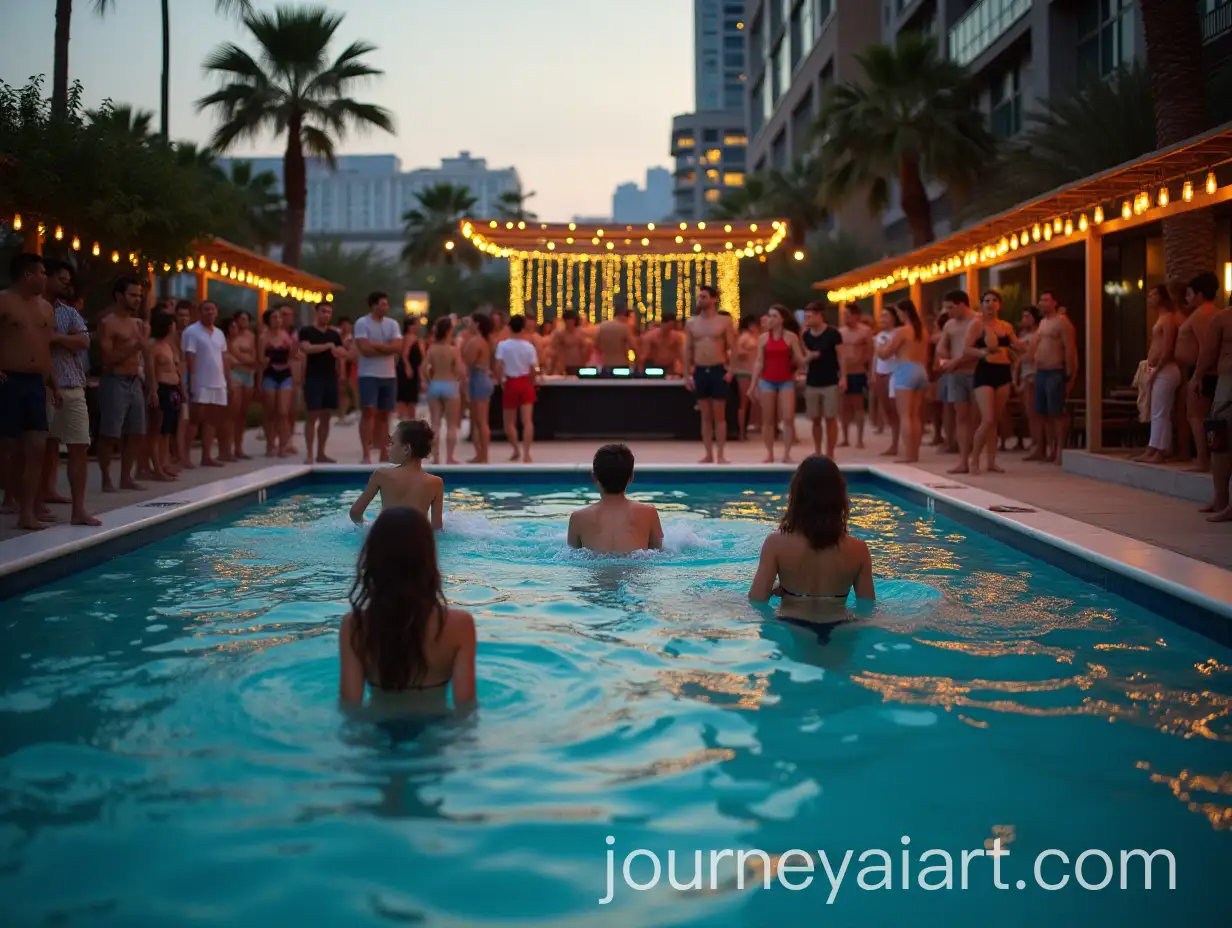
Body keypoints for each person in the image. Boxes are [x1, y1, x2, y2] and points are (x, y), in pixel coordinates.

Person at [339, 507, 476, 708]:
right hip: (436, 730)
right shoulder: (458, 625)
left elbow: (350, 707)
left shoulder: (355, 625)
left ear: (374, 558)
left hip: (378, 729)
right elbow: (465, 709)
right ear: (428, 557)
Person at [748, 455, 875, 633]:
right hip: (841, 627)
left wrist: (775, 589)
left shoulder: (776, 543)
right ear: (839, 497)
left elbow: (757, 600)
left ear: (797, 494)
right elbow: (867, 607)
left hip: (790, 624)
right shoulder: (858, 549)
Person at [0, 253, 59, 531]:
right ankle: (10, 498)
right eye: (43, 272)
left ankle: (27, 511)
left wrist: (53, 385)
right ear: (27, 275)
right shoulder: (3, 300)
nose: (46, 278)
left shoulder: (45, 308)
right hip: (9, 380)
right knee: (8, 448)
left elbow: (45, 349)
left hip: (36, 382)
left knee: (37, 445)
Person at [38, 260, 99, 526]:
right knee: (37, 448)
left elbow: (83, 342)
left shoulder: (69, 313)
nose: (66, 284)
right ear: (45, 278)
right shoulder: (32, 310)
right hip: (41, 385)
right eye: (61, 279)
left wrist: (56, 338)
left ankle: (79, 509)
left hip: (72, 385)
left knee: (78, 446)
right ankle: (34, 503)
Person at [97, 274, 151, 492]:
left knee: (137, 432)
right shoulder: (107, 323)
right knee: (110, 433)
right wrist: (133, 345)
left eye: (139, 295)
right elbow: (107, 358)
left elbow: (147, 356)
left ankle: (126, 476)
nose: (137, 299)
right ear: (119, 296)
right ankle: (106, 476)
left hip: (134, 380)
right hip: (115, 380)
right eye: (132, 295)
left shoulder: (138, 324)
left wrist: (152, 386)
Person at [567, 443, 664, 554]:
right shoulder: (649, 513)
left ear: (594, 478)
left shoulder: (578, 518)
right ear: (631, 477)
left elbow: (572, 556)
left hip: (596, 567)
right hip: (634, 567)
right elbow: (658, 553)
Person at [349, 419, 444, 528]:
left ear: (406, 449)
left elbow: (355, 512)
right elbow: (437, 527)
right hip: (417, 539)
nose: (388, 448)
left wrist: (366, 528)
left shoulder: (382, 474)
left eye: (392, 443)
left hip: (385, 536)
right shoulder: (436, 483)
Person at [747, 305, 809, 464]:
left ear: (781, 319)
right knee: (768, 420)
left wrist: (810, 356)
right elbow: (759, 362)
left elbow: (800, 359)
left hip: (786, 381)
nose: (770, 319)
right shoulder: (763, 338)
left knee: (788, 418)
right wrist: (753, 385)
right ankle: (769, 454)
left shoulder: (791, 337)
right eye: (769, 315)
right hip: (767, 381)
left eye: (774, 316)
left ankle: (787, 454)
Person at [965, 289, 1018, 475]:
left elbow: (1017, 346)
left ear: (999, 304)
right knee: (987, 419)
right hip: (985, 373)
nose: (990, 303)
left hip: (1003, 372)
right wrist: (982, 353)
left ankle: (992, 461)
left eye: (994, 300)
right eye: (986, 300)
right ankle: (974, 460)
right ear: (982, 304)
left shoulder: (1006, 326)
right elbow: (966, 349)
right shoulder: (976, 325)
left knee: (994, 420)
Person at [684, 285, 737, 464]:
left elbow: (733, 347)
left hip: (717, 369)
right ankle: (708, 453)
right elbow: (688, 349)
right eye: (699, 297)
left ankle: (720, 454)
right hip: (700, 370)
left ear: (714, 299)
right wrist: (686, 374)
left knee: (719, 414)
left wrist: (731, 370)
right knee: (705, 415)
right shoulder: (691, 323)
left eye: (704, 297)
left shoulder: (724, 322)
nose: (701, 300)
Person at [1192, 297, 1232, 521]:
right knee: (1219, 441)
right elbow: (1207, 351)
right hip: (1227, 383)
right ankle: (1220, 498)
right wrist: (1197, 377)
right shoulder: (1223, 318)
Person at [1131, 285, 1181, 464]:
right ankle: (1161, 448)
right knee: (1159, 411)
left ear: (1162, 297)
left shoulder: (1168, 319)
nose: (1149, 298)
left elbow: (1167, 348)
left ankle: (1156, 450)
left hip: (1166, 370)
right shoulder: (1161, 318)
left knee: (1159, 411)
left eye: (1153, 295)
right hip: (1158, 369)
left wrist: (1156, 370)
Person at [1178, 272, 1221, 474]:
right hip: (1202, 370)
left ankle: (1203, 459)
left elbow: (1208, 346)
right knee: (1199, 417)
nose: (1187, 298)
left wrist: (1198, 376)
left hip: (1204, 371)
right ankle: (1205, 459)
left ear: (1199, 294)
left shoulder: (1204, 314)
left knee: (1197, 416)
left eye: (1189, 293)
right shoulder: (1207, 313)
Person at [876, 300, 930, 463]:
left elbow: (885, 354)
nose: (898, 316)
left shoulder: (902, 331)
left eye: (898, 313)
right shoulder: (923, 331)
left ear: (904, 312)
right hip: (921, 370)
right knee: (916, 416)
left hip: (905, 370)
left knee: (905, 416)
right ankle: (915, 453)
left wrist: (880, 346)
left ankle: (908, 454)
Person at [1030, 289, 1079, 465]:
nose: (1042, 303)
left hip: (1055, 371)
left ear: (1054, 302)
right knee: (1044, 414)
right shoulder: (1043, 323)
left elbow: (1070, 348)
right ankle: (1050, 449)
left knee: (1057, 413)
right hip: (1041, 372)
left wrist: (1070, 374)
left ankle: (1060, 450)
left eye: (1046, 300)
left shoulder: (1062, 322)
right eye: (1040, 300)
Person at [355, 292, 403, 465]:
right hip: (368, 374)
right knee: (368, 412)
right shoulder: (362, 323)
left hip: (388, 375)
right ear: (373, 305)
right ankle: (366, 453)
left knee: (385, 415)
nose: (386, 307)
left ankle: (384, 452)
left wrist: (375, 345)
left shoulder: (392, 324)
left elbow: (398, 347)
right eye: (382, 304)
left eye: (386, 304)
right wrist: (386, 348)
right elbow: (364, 349)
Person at [181, 300, 230, 468]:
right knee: (195, 420)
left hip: (218, 383)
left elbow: (224, 358)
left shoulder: (220, 334)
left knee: (212, 421)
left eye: (212, 309)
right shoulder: (191, 332)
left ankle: (207, 456)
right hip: (201, 382)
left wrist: (227, 380)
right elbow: (189, 357)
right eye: (206, 310)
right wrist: (192, 381)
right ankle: (184, 456)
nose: (210, 312)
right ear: (200, 312)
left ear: (216, 312)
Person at [299, 301, 347, 464]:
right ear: (316, 312)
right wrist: (327, 346)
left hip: (330, 377)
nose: (326, 315)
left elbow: (342, 352)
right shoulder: (307, 331)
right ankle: (309, 453)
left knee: (326, 416)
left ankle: (321, 452)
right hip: (313, 377)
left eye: (329, 312)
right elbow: (306, 348)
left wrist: (334, 348)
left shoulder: (334, 334)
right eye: (323, 311)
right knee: (312, 415)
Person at [935, 290, 978, 473]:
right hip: (956, 374)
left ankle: (977, 458)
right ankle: (963, 460)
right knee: (961, 417)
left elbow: (975, 350)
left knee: (978, 417)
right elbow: (941, 346)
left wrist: (955, 361)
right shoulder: (950, 325)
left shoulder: (977, 321)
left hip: (976, 373)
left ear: (962, 304)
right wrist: (944, 357)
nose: (948, 311)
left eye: (951, 307)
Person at [801, 301, 845, 459]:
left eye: (810, 316)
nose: (807, 319)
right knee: (815, 419)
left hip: (830, 380)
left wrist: (843, 377)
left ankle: (830, 452)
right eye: (805, 316)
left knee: (830, 418)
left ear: (819, 316)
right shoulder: (806, 336)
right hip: (812, 381)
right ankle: (818, 450)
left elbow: (841, 356)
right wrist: (808, 359)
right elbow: (803, 357)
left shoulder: (833, 334)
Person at [495, 314, 540, 463]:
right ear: (523, 328)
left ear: (509, 327)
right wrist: (531, 382)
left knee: (509, 422)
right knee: (527, 421)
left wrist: (500, 380)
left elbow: (497, 367)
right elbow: (534, 368)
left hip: (510, 382)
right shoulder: (529, 347)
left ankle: (516, 449)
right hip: (525, 382)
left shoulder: (503, 345)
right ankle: (527, 454)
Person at [422, 316, 465, 466]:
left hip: (436, 384)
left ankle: (436, 458)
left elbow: (424, 368)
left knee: (435, 423)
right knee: (452, 425)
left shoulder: (432, 349)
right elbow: (459, 370)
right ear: (448, 331)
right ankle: (450, 457)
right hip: (450, 384)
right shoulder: (453, 350)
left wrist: (428, 380)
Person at [149, 311, 183, 483]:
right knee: (157, 430)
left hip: (173, 388)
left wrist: (182, 390)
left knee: (167, 430)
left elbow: (176, 369)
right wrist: (153, 392)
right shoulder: (154, 347)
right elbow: (151, 373)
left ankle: (164, 463)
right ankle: (157, 468)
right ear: (169, 326)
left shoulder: (169, 346)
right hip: (162, 389)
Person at [462, 311, 494, 464]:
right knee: (478, 420)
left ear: (477, 324)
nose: (469, 324)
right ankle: (481, 454)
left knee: (480, 421)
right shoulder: (485, 341)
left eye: (471, 322)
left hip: (478, 379)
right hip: (483, 378)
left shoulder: (475, 342)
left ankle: (483, 455)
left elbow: (468, 362)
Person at [838, 304, 872, 449]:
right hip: (843, 372)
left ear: (855, 315)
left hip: (858, 371)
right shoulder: (841, 332)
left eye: (847, 314)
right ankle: (845, 437)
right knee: (844, 406)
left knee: (858, 405)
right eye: (843, 315)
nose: (845, 317)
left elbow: (870, 351)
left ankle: (859, 438)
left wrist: (863, 363)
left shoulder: (865, 332)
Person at [225, 310, 256, 461]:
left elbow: (254, 359)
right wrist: (244, 357)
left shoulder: (251, 337)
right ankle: (227, 449)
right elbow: (229, 355)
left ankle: (239, 447)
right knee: (232, 413)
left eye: (246, 319)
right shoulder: (230, 337)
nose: (245, 321)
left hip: (248, 375)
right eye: (242, 319)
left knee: (243, 414)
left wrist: (239, 356)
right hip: (235, 374)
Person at [872, 306, 900, 457]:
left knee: (895, 409)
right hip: (881, 373)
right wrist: (873, 375)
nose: (882, 320)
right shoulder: (879, 335)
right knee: (887, 410)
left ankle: (896, 443)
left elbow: (885, 353)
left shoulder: (898, 334)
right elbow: (875, 358)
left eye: (886, 316)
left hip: (894, 373)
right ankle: (893, 442)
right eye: (881, 316)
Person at [172, 299, 195, 470]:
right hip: (177, 380)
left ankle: (183, 454)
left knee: (188, 421)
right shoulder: (173, 336)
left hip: (189, 379)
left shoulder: (191, 335)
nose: (183, 319)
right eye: (180, 316)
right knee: (181, 421)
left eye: (186, 316)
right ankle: (180, 457)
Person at [1014, 307, 1039, 458]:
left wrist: (1018, 359)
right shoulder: (1023, 335)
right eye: (1023, 316)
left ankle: (1037, 445)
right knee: (1027, 413)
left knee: (1033, 413)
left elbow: (1031, 355)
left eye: (1027, 316)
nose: (1024, 319)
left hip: (1032, 374)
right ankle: (1034, 442)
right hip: (1024, 374)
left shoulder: (1037, 335)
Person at [731, 315, 759, 440]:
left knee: (750, 403)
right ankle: (741, 432)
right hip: (744, 372)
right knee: (744, 403)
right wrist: (748, 353)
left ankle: (747, 428)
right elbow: (737, 353)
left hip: (752, 372)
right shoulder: (744, 337)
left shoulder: (753, 337)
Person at [594, 306, 638, 371]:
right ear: (624, 316)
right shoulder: (625, 328)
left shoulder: (602, 326)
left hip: (606, 364)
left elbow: (597, 345)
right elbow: (634, 347)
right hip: (621, 364)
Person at [396, 316, 423, 421]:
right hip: (408, 369)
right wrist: (408, 367)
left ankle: (408, 418)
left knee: (411, 397)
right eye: (416, 324)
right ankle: (405, 418)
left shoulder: (416, 338)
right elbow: (404, 354)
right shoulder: (410, 337)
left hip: (413, 369)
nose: (418, 326)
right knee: (407, 397)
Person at [552, 310, 591, 375]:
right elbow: (555, 351)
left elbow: (586, 349)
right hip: (563, 366)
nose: (569, 322)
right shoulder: (559, 334)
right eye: (567, 320)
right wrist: (552, 368)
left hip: (578, 365)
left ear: (575, 321)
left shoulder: (580, 333)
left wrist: (584, 364)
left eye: (571, 320)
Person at [336, 317, 357, 424]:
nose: (345, 327)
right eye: (343, 325)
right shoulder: (337, 337)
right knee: (341, 392)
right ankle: (342, 415)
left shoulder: (351, 339)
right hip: (337, 366)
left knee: (349, 390)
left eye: (347, 324)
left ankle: (352, 411)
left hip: (350, 367)